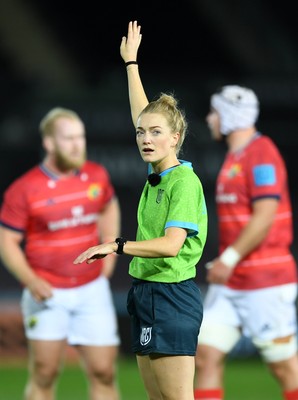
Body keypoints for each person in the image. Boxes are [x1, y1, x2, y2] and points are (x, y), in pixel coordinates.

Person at [73, 20, 208, 400]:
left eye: (156, 133)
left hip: (172, 295)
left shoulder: (183, 182)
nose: (145, 139)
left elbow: (170, 245)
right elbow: (143, 113)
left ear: (175, 139)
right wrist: (131, 64)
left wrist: (116, 245)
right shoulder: (158, 171)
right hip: (145, 292)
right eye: (140, 133)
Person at [0, 107, 121, 400]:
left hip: (92, 288)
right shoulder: (24, 189)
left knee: (104, 372)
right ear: (49, 143)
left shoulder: (96, 175)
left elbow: (109, 206)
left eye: (81, 137)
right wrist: (30, 280)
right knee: (45, 371)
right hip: (48, 292)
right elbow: (6, 241)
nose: (78, 144)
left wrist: (111, 248)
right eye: (69, 138)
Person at [194, 85, 298, 400]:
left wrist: (229, 258)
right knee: (204, 356)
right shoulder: (235, 156)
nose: (210, 118)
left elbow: (265, 215)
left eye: (214, 112)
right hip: (233, 281)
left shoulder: (261, 153)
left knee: (283, 368)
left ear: (229, 115)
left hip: (264, 279)